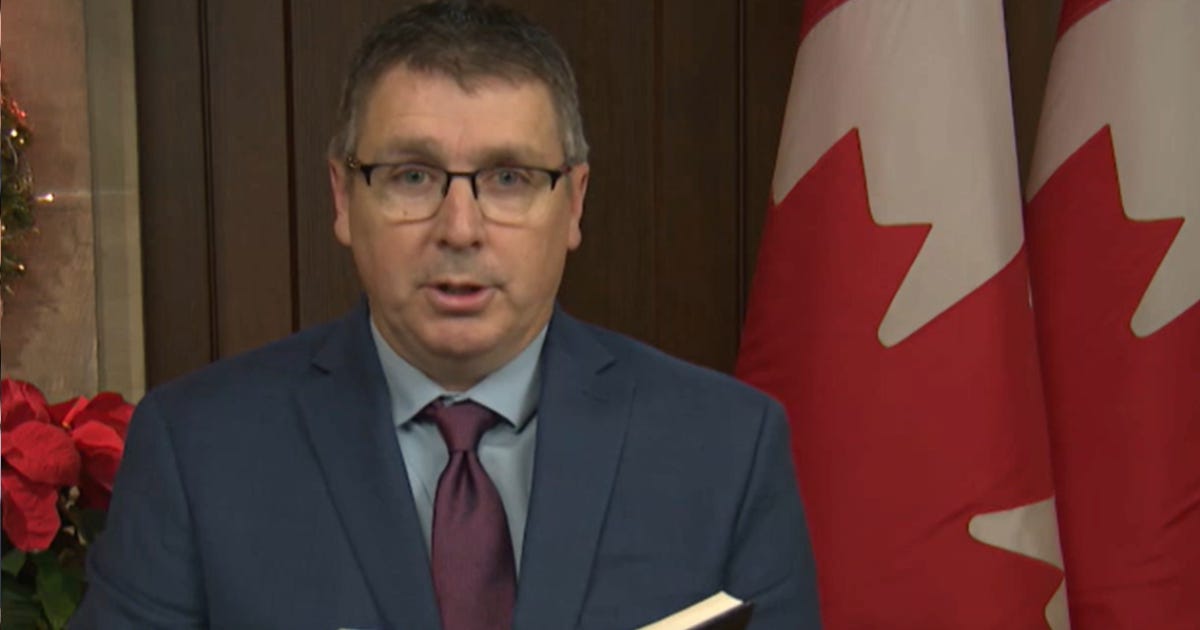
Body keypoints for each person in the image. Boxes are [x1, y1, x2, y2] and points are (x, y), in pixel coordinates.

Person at [72, 2, 821, 628]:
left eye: (509, 178)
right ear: (343, 199)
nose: (460, 228)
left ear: (574, 203)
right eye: (412, 176)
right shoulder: (197, 451)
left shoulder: (726, 448)